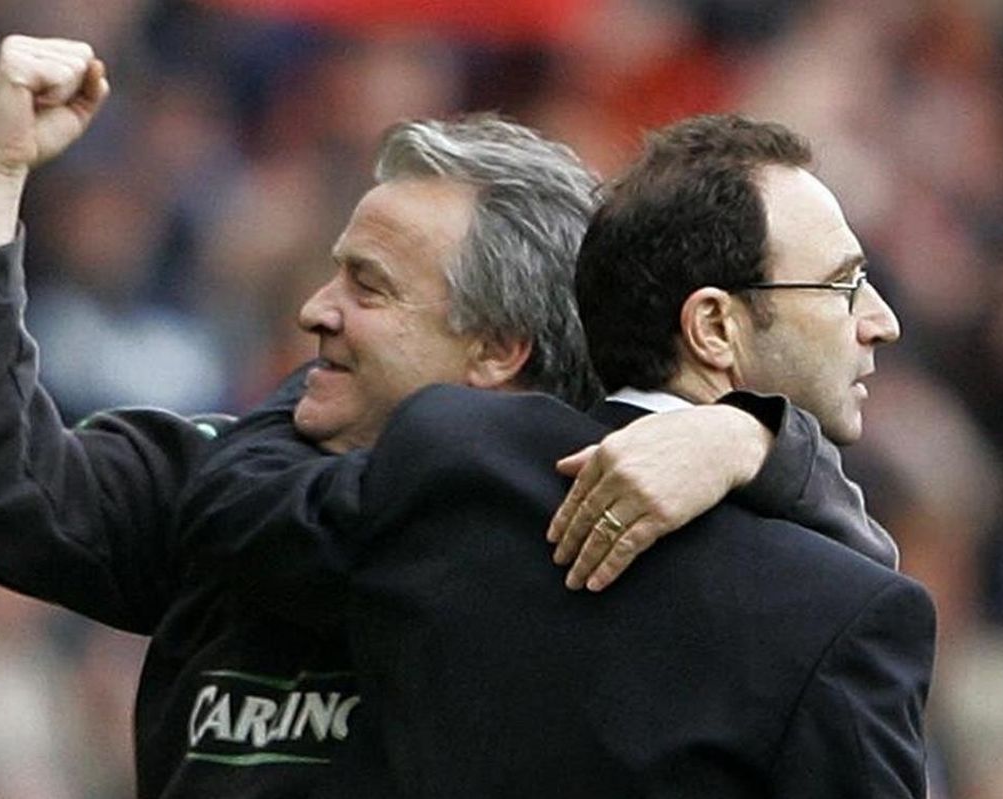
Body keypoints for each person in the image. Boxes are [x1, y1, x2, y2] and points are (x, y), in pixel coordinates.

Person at [0, 37, 893, 799]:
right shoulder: (219, 473)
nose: (314, 310)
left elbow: (835, 591)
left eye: (368, 287)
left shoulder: (607, 514)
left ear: (498, 346)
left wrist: (753, 436)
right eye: (334, 271)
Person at [215, 115, 935, 797]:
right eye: (844, 284)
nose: (882, 319)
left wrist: (756, 436)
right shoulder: (845, 607)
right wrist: (766, 441)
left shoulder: (448, 462)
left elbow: (233, 507)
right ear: (713, 326)